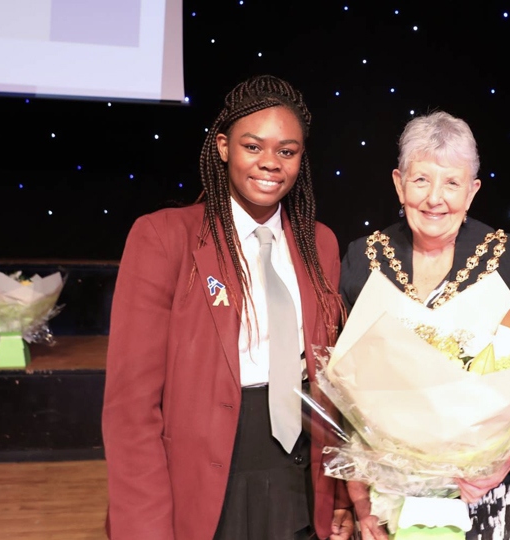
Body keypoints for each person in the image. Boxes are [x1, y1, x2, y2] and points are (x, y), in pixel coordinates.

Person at [101, 75, 353, 540]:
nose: (270, 164)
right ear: (222, 147)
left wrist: (340, 495)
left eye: (287, 151)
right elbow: (131, 409)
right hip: (204, 482)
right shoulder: (164, 238)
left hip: (298, 475)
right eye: (253, 147)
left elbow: (329, 382)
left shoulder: (321, 244)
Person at [339, 110, 510, 540]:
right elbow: (343, 387)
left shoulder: (509, 257)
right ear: (398, 183)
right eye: (421, 180)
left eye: (451, 183)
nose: (435, 198)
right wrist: (360, 500)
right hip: (388, 491)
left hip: (484, 488)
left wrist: (496, 464)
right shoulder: (363, 259)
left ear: (472, 191)